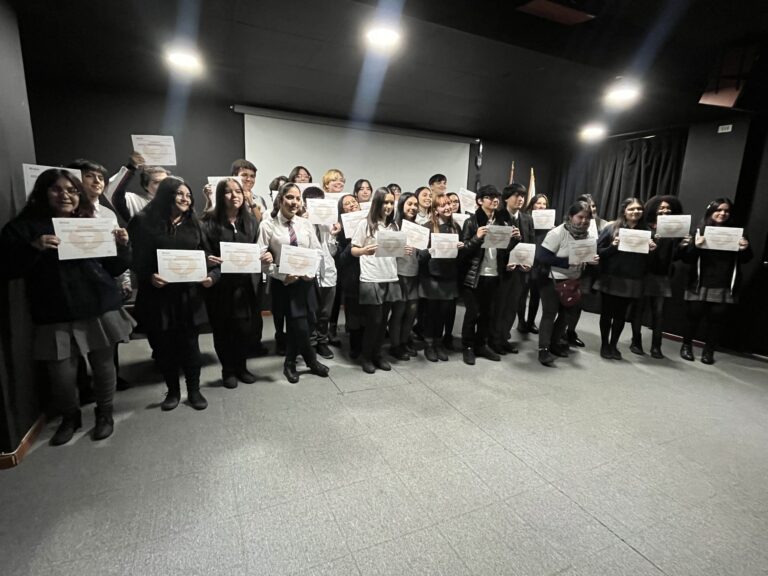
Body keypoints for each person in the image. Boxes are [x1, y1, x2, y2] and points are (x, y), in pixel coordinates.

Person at [0, 169, 134, 444]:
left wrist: (122, 246)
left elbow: (115, 267)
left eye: (72, 190)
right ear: (43, 193)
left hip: (98, 304)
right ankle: (70, 416)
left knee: (103, 364)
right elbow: (8, 268)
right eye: (57, 190)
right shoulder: (24, 227)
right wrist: (33, 247)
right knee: (61, 372)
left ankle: (104, 413)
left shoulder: (89, 222)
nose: (65, 196)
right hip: (54, 311)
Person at [128, 176, 218, 411]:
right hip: (158, 296)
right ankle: (173, 391)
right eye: (180, 193)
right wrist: (148, 276)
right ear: (166, 194)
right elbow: (134, 259)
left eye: (188, 195)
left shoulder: (194, 223)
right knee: (165, 348)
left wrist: (210, 270)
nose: (185, 199)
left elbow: (205, 255)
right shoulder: (143, 222)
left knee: (191, 347)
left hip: (188, 296)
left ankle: (194, 390)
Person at [258, 183, 330, 383]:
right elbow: (261, 258)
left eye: (298, 199)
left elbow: (317, 251)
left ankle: (300, 361)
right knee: (296, 325)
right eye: (290, 198)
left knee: (307, 323)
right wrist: (281, 275)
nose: (294, 202)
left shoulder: (305, 224)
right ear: (280, 199)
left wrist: (311, 271)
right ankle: (301, 362)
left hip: (306, 281)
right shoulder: (268, 225)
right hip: (285, 283)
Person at [201, 178, 260, 389]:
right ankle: (228, 370)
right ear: (220, 196)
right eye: (228, 192)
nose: (234, 196)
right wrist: (208, 260)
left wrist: (264, 257)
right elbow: (203, 251)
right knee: (223, 331)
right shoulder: (209, 222)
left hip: (245, 287)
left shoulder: (251, 221)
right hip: (220, 287)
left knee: (245, 329)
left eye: (238, 191)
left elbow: (256, 249)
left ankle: (242, 366)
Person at [677, 198, 752, 364]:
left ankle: (708, 351)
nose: (722, 213)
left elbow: (746, 259)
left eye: (726, 211)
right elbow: (686, 259)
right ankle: (686, 346)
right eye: (719, 210)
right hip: (699, 282)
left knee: (716, 320)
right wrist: (695, 246)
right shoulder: (698, 230)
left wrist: (745, 248)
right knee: (693, 316)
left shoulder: (737, 233)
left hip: (723, 283)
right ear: (711, 212)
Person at [536, 200, 599, 366]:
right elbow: (542, 257)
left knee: (566, 315)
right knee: (550, 314)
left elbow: (587, 258)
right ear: (571, 216)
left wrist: (592, 260)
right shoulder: (557, 233)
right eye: (580, 217)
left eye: (587, 218)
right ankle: (543, 350)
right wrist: (568, 262)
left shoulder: (589, 236)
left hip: (573, 281)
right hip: (552, 280)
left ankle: (555, 344)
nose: (584, 221)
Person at [595, 198, 656, 360]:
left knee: (621, 315)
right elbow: (599, 253)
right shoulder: (611, 228)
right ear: (624, 211)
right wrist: (613, 247)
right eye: (631, 209)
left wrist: (652, 250)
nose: (636, 212)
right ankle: (604, 345)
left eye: (639, 209)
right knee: (607, 314)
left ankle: (613, 345)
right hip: (611, 277)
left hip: (632, 280)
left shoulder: (647, 231)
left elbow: (651, 263)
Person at [351, 187, 403, 373]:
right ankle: (366, 357)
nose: (388, 206)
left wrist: (403, 250)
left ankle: (378, 355)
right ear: (377, 203)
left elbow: (394, 252)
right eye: (385, 202)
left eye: (391, 202)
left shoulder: (394, 226)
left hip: (390, 276)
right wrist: (365, 251)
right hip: (371, 277)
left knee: (383, 322)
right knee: (373, 321)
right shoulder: (365, 224)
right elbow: (354, 249)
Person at [630, 195, 684, 358]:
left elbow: (676, 257)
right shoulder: (645, 227)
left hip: (661, 277)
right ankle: (636, 342)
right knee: (638, 310)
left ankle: (656, 346)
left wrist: (683, 245)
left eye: (668, 208)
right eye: (662, 208)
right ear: (654, 209)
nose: (665, 211)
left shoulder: (676, 230)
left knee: (658, 312)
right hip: (642, 274)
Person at [459, 185, 504, 365]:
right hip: (474, 275)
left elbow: (505, 251)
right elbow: (463, 251)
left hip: (494, 274)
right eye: (490, 197)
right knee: (473, 313)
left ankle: (481, 345)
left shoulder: (502, 222)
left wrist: (514, 240)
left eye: (496, 197)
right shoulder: (471, 222)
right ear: (479, 201)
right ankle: (468, 347)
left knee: (487, 313)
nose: (495, 200)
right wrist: (477, 237)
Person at [420, 192, 464, 361]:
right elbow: (420, 255)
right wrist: (430, 249)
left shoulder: (456, 227)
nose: (447, 207)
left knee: (444, 312)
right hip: (432, 276)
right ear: (435, 210)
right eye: (442, 205)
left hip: (449, 275)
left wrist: (461, 247)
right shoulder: (427, 227)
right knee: (431, 312)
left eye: (448, 204)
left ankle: (438, 342)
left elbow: (459, 257)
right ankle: (429, 344)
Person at [492, 183, 535, 355]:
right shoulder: (497, 216)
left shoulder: (527, 219)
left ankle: (504, 338)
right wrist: (504, 263)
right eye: (516, 195)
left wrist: (528, 263)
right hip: (502, 271)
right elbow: (494, 246)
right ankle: (494, 340)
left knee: (512, 307)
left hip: (520, 271)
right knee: (499, 307)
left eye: (522, 196)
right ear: (506, 198)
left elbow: (531, 243)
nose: (520, 199)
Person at [301, 185, 341, 360]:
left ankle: (322, 341)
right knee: (311, 312)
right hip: (309, 272)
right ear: (305, 204)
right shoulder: (300, 222)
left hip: (328, 271)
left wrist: (333, 235)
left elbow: (331, 251)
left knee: (325, 312)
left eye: (319, 201)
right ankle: (310, 343)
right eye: (312, 202)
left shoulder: (327, 223)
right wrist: (306, 221)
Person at [388, 192, 420, 360]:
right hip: (399, 274)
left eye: (415, 205)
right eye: (409, 204)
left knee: (412, 311)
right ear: (401, 205)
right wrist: (399, 249)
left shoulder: (419, 227)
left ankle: (404, 340)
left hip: (415, 274)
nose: (413, 208)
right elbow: (386, 250)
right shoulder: (394, 226)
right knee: (399, 311)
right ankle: (395, 345)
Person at [334, 193, 363, 357]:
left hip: (370, 275)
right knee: (353, 314)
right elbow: (341, 260)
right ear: (341, 210)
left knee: (368, 314)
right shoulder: (339, 230)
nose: (352, 204)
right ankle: (355, 346)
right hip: (351, 277)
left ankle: (367, 345)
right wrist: (354, 242)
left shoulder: (370, 225)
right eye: (347, 204)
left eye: (354, 201)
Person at [518, 193, 551, 334]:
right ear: (532, 205)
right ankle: (521, 322)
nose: (541, 206)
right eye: (538, 203)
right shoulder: (524, 219)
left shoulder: (550, 224)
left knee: (536, 295)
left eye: (544, 204)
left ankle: (531, 322)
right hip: (526, 261)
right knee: (522, 294)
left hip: (540, 264)